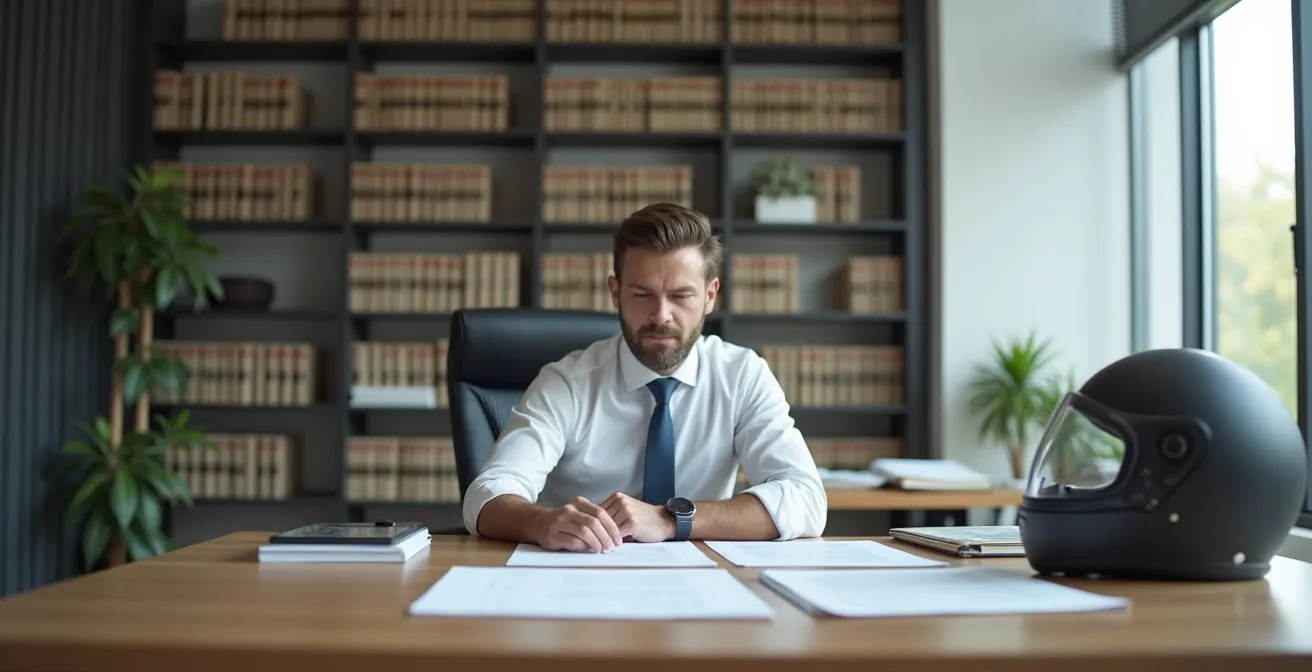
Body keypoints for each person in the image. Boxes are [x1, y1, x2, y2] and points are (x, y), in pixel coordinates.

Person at [462, 202, 828, 552]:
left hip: (704, 579)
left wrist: (671, 519)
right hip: (584, 573)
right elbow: (486, 494)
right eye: (642, 294)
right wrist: (539, 522)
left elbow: (806, 499)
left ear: (709, 296)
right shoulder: (567, 383)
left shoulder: (742, 376)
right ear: (616, 293)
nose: (661, 315)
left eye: (681, 296)